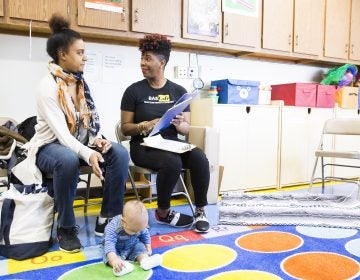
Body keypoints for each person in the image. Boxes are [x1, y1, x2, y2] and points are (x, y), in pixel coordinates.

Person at [12, 14, 129, 253]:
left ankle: (108, 218)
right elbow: (64, 137)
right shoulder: (47, 87)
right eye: (80, 52)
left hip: (79, 143)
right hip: (49, 148)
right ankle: (65, 227)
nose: (85, 57)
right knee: (66, 159)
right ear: (62, 55)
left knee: (118, 151)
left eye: (85, 52)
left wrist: (97, 140)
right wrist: (89, 154)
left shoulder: (80, 82)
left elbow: (89, 123)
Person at [120, 34, 210, 233]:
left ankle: (200, 210)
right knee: (172, 162)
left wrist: (180, 125)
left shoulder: (178, 91)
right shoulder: (133, 91)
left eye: (148, 58)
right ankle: (163, 212)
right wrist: (144, 125)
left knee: (199, 157)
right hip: (143, 146)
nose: (142, 63)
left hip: (170, 143)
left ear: (162, 62)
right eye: (142, 58)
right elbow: (125, 128)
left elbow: (187, 128)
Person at [103, 200, 162, 276]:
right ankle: (119, 266)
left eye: (139, 230)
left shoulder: (139, 227)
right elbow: (109, 244)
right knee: (108, 255)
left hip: (132, 244)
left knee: (140, 247)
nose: (137, 233)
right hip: (115, 248)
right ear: (123, 222)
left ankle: (144, 260)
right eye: (134, 231)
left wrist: (148, 246)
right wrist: (114, 259)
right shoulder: (113, 228)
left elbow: (145, 234)